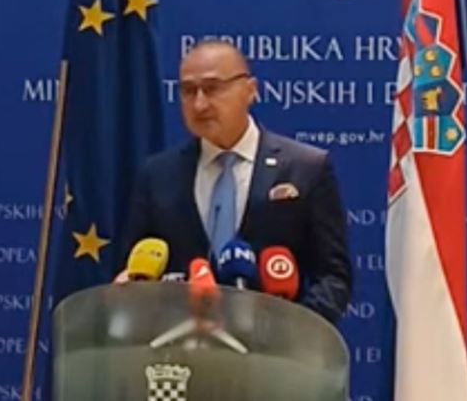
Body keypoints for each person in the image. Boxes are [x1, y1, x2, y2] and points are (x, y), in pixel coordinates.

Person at [121, 41, 351, 323]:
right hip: (180, 343)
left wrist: (292, 332)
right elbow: (133, 269)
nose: (200, 104)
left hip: (274, 345)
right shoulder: (157, 174)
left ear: (250, 90)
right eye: (189, 91)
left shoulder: (305, 168)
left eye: (212, 88)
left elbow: (333, 277)